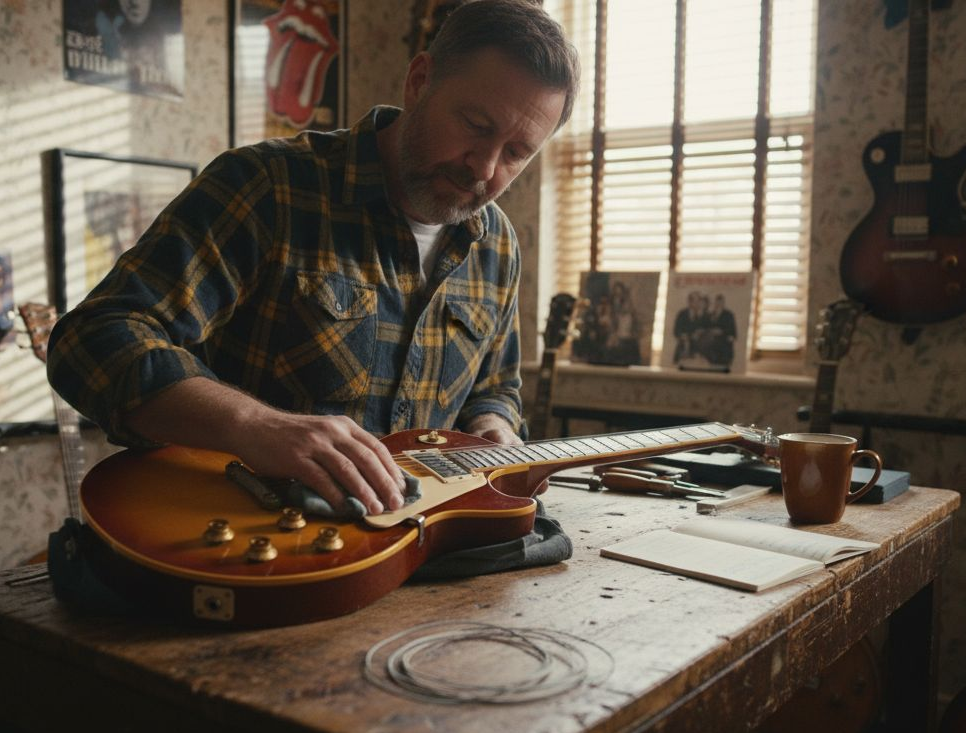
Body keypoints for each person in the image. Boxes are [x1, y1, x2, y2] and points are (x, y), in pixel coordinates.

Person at [48, 0, 580, 517]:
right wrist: (254, 426)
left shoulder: (498, 245)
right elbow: (92, 339)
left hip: (412, 561)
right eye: (475, 125)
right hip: (235, 546)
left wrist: (496, 426)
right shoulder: (268, 187)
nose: (484, 169)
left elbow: (494, 387)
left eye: (516, 153)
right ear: (419, 81)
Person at [672, 291, 709, 364]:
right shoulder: (682, 314)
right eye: (695, 301)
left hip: (700, 352)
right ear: (689, 302)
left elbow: (708, 329)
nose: (697, 304)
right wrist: (683, 336)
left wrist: (701, 332)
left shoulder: (705, 315)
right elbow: (676, 331)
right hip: (684, 348)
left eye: (698, 301)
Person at [708, 293, 737, 368]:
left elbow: (732, 330)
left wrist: (722, 332)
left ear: (723, 303)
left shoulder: (729, 315)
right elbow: (707, 327)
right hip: (712, 345)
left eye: (720, 302)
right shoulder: (711, 314)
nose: (718, 304)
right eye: (717, 302)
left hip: (724, 344)